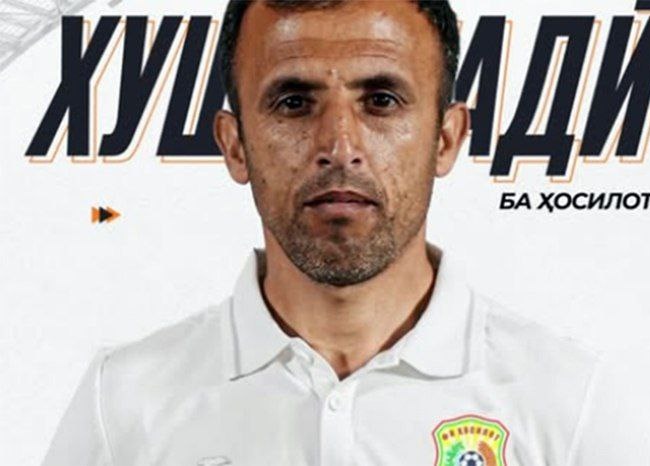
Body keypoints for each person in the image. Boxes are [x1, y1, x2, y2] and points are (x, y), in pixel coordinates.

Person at [43, 1, 599, 465]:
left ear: (446, 139)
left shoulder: (568, 401)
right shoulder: (122, 403)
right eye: (294, 103)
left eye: (381, 101)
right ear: (235, 146)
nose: (339, 146)